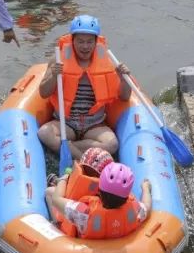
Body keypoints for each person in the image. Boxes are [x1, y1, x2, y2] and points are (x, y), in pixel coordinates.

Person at [37, 14, 132, 159]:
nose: (85, 46)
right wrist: (53, 75)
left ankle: (69, 151)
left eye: (89, 42)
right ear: (72, 40)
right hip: (66, 123)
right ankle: (84, 160)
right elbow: (43, 92)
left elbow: (124, 97)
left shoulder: (109, 62)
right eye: (80, 41)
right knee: (44, 133)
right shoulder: (57, 60)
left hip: (94, 124)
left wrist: (124, 78)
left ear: (96, 42)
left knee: (112, 144)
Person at [46, 162, 151, 240]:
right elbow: (147, 206)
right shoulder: (135, 209)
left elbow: (56, 199)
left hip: (82, 245)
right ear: (127, 195)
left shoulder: (83, 212)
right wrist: (145, 189)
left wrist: (63, 179)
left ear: (99, 189)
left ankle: (57, 224)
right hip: (116, 243)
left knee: (50, 191)